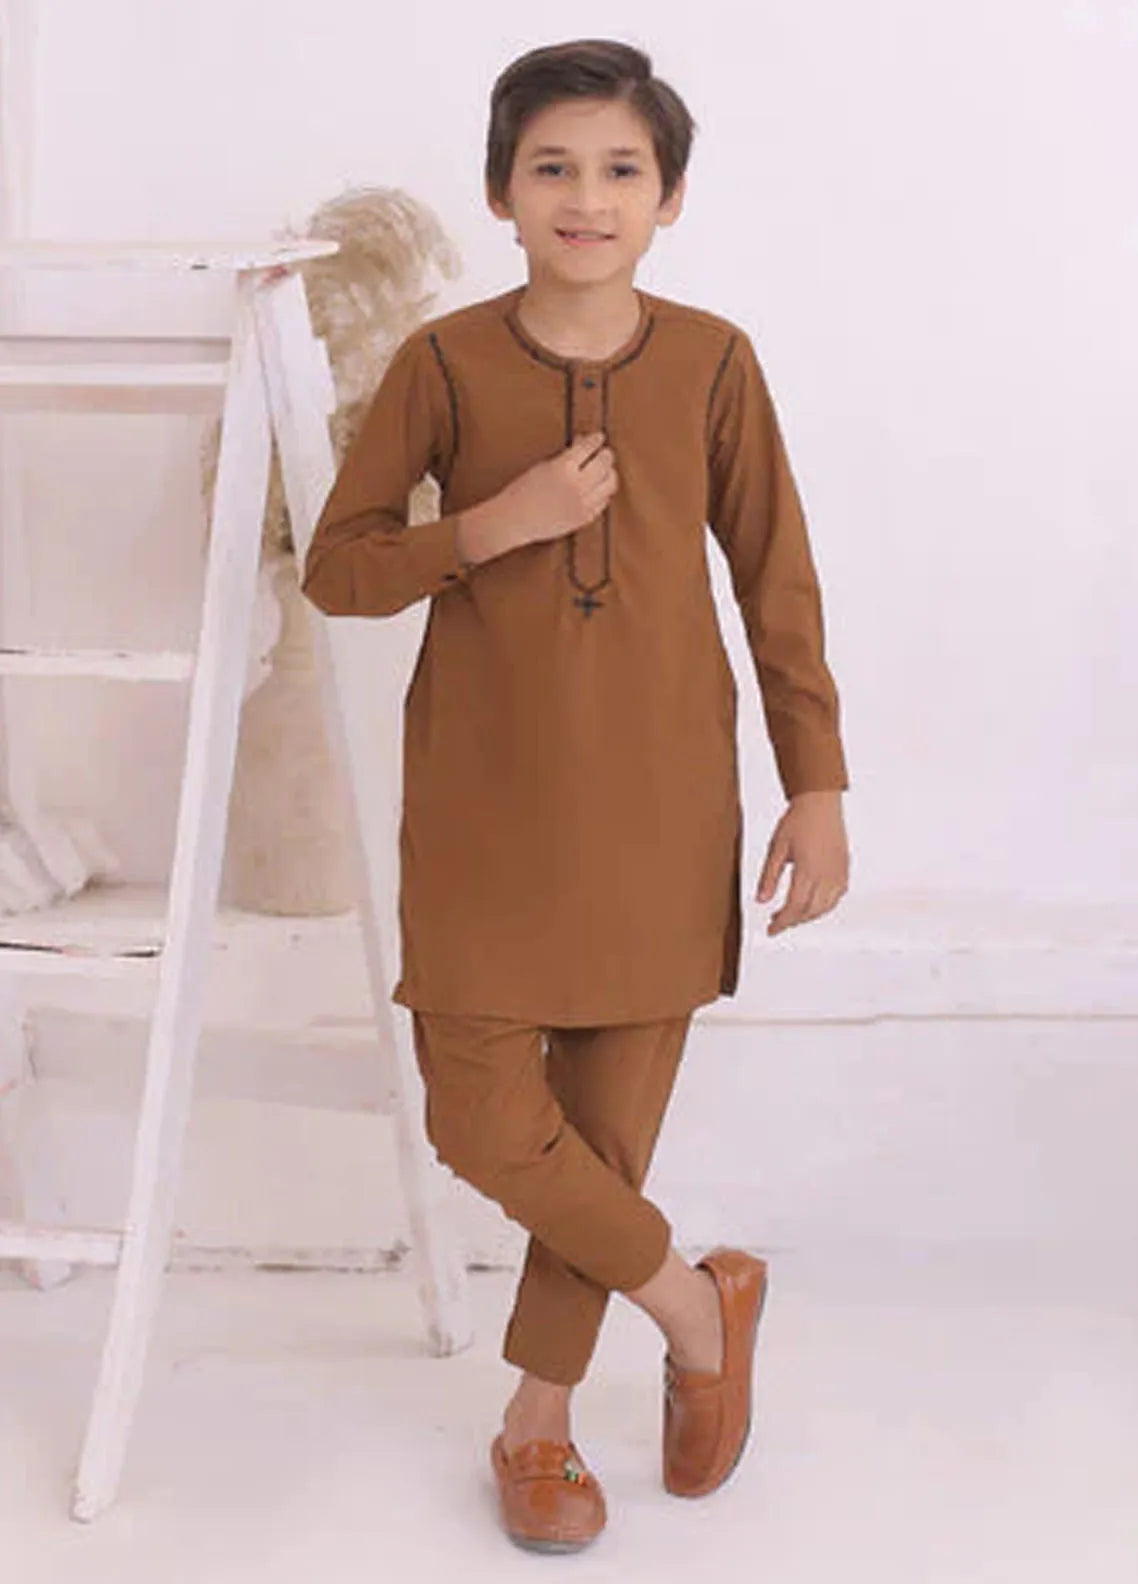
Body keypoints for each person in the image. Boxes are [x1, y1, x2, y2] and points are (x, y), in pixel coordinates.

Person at [301, 36, 850, 1554]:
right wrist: (494, 525)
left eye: (620, 169)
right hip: (483, 809)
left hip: (663, 807)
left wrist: (815, 783)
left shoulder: (714, 361)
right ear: (501, 192)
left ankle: (535, 1426)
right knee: (485, 1121)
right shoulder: (444, 365)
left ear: (668, 198)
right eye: (553, 167)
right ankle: (696, 1304)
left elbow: (777, 582)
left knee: (599, 1149)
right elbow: (339, 569)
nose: (586, 197)